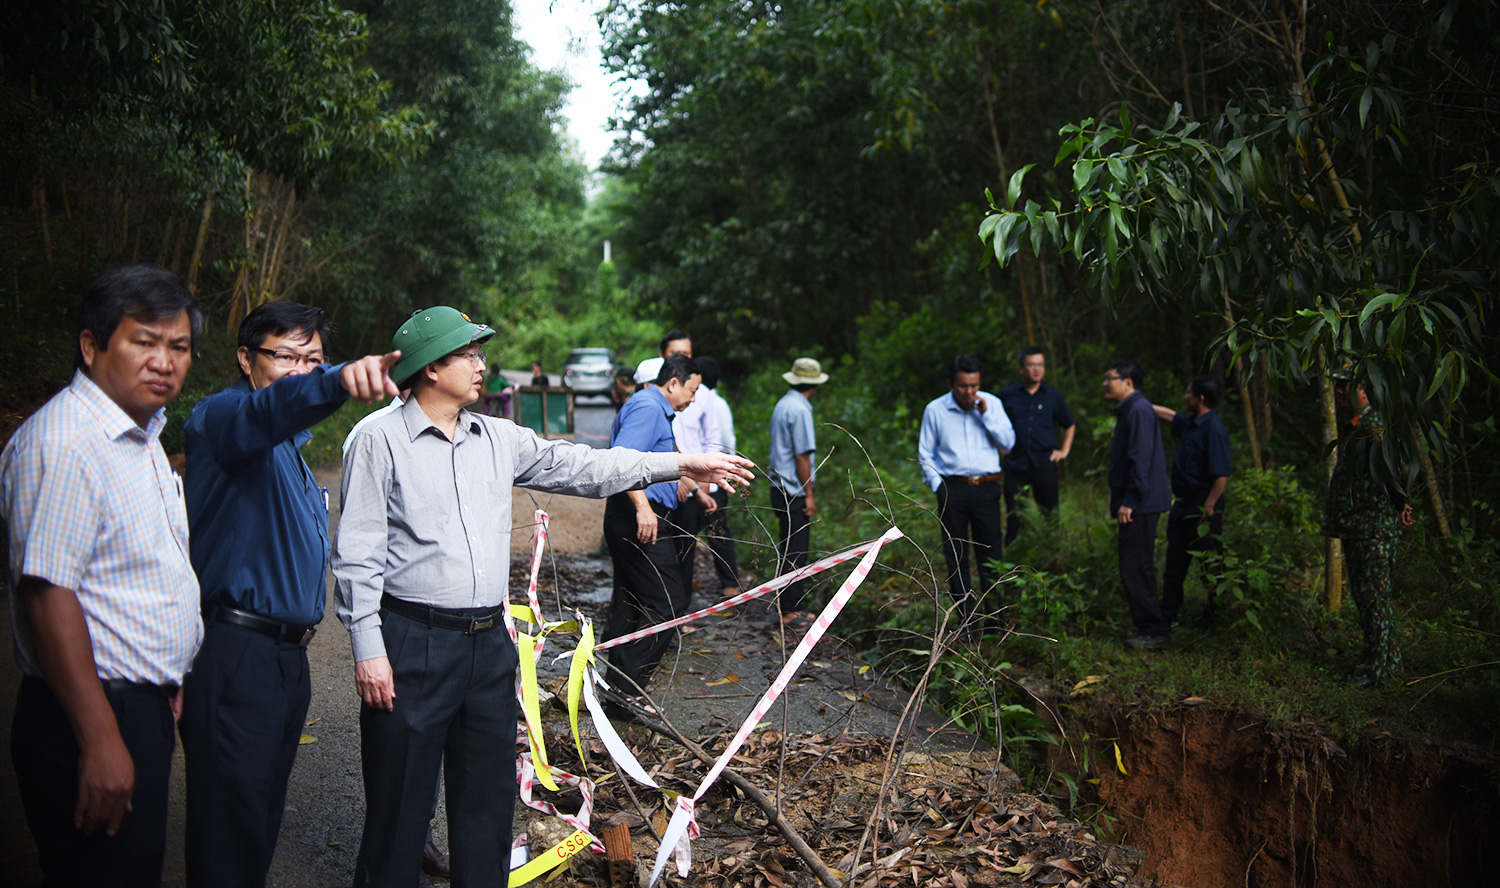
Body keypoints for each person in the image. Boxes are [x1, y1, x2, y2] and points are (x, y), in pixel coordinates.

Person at [334, 308, 753, 888]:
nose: (483, 367)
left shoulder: (497, 437)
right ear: (431, 368)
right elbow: (357, 554)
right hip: (412, 642)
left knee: (486, 804)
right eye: (469, 356)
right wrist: (367, 647)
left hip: (488, 646)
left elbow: (586, 466)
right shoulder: (377, 439)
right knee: (398, 808)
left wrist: (681, 462)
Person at [178, 302, 399, 888]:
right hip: (234, 652)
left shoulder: (292, 456)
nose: (300, 370)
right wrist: (334, 380)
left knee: (255, 824)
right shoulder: (225, 420)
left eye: (314, 359)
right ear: (246, 360)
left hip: (284, 661)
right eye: (286, 356)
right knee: (229, 831)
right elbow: (273, 407)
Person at [1, 264, 203, 887]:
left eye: (178, 347)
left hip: (133, 704)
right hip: (86, 712)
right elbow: (48, 593)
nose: (163, 362)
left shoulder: (135, 434)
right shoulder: (66, 443)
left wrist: (165, 680)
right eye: (143, 342)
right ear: (92, 346)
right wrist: (100, 738)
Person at [601, 354, 707, 713]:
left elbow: (659, 458)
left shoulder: (655, 409)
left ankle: (614, 688)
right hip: (636, 516)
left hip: (636, 513)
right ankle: (625, 688)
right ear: (673, 383)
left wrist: (694, 483)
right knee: (669, 602)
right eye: (692, 390)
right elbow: (622, 458)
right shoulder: (648, 407)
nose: (693, 398)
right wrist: (644, 508)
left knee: (631, 600)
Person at [1324, 366, 1414, 685]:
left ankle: (1379, 671)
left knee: (1375, 599)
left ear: (1363, 389)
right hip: (1358, 527)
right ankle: (1383, 663)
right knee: (1367, 600)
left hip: (1373, 528)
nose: (1338, 391)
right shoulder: (1356, 427)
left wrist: (1402, 503)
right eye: (1336, 385)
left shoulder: (1375, 426)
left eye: (1345, 385)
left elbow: (1396, 469)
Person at [918, 355, 1016, 636]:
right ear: (951, 383)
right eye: (963, 386)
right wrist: (939, 486)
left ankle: (996, 620)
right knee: (956, 555)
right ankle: (967, 621)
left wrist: (985, 416)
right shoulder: (935, 410)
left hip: (987, 487)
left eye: (974, 385)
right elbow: (925, 453)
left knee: (991, 553)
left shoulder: (992, 404)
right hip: (953, 489)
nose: (969, 392)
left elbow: (1008, 444)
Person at [1151, 376, 1232, 628]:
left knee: (1209, 562)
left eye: (1189, 393)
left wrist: (1209, 505)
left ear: (1201, 398)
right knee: (1175, 561)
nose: (1185, 397)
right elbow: (1170, 415)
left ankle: (1216, 616)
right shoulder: (1191, 423)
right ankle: (1168, 614)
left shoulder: (1214, 430)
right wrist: (1141, 404)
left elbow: (1221, 475)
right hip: (1182, 504)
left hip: (1203, 504)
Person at [1103, 360, 1171, 648]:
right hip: (1138, 502)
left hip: (1139, 505)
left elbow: (1140, 459)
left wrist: (1130, 500)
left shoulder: (1139, 410)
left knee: (1137, 565)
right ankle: (1150, 627)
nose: (1105, 383)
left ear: (1127, 383)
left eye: (1110, 378)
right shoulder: (1133, 409)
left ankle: (1154, 631)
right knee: (1134, 563)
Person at [656, 331, 720, 597]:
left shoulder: (702, 394)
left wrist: (703, 484)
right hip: (661, 484)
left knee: (685, 553)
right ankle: (659, 616)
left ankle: (680, 614)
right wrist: (676, 478)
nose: (682, 358)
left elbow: (713, 438)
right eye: (676, 354)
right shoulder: (654, 393)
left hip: (695, 487)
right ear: (663, 356)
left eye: (687, 354)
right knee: (660, 554)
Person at [997, 347, 1075, 545]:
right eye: (1031, 365)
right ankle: (1014, 557)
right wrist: (1000, 447)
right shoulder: (1007, 395)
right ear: (1021, 368)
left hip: (1044, 462)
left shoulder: (1053, 395)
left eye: (1040, 365)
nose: (1036, 369)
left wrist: (1064, 451)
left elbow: (1069, 424)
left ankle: (1050, 555)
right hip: (1016, 463)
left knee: (1049, 514)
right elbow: (993, 423)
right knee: (1015, 515)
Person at [769, 357, 827, 624]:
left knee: (790, 547)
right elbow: (802, 456)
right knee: (796, 550)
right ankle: (789, 609)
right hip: (793, 489)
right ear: (814, 385)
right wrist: (810, 493)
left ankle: (792, 605)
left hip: (779, 486)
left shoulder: (784, 404)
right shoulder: (801, 410)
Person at [696, 356, 743, 596]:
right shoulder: (719, 403)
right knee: (717, 532)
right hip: (709, 479)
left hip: (708, 480)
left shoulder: (704, 401)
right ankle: (729, 585)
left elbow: (723, 442)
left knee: (715, 530)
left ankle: (730, 585)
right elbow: (729, 442)